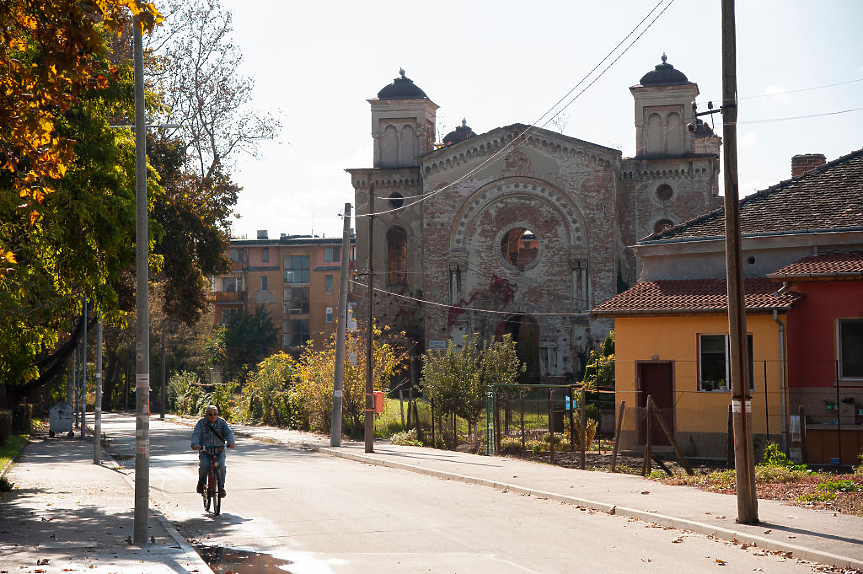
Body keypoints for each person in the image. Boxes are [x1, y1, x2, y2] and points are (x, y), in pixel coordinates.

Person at [191, 405, 235, 497]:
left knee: (221, 465)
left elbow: (228, 432)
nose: (213, 416)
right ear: (206, 414)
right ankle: (201, 482)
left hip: (219, 450)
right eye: (210, 414)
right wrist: (195, 444)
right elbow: (196, 434)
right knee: (205, 465)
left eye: (215, 414)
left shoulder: (222, 422)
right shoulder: (201, 423)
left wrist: (231, 442)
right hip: (205, 451)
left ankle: (221, 488)